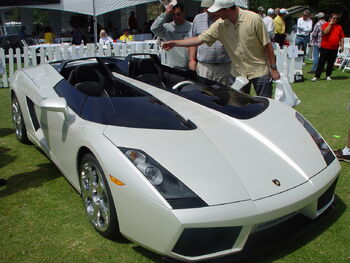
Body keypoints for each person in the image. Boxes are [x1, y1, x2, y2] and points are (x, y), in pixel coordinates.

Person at [162, 0, 280, 98]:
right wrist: (174, 43)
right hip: (238, 74)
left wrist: (273, 68)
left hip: (260, 71)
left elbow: (267, 45)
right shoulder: (220, 25)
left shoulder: (253, 19)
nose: (216, 15)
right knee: (238, 107)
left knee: (266, 104)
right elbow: (198, 39)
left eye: (218, 12)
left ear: (227, 10)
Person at [189, 0, 231, 86]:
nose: (208, 11)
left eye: (210, 9)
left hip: (223, 66)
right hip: (204, 66)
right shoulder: (198, 19)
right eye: (206, 9)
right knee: (203, 94)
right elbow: (193, 40)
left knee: (223, 95)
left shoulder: (226, 19)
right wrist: (192, 59)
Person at [151, 2, 192, 70]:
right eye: (173, 15)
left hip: (189, 67)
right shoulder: (167, 28)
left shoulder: (192, 26)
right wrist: (165, 13)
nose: (176, 17)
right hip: (172, 67)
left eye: (178, 14)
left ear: (183, 13)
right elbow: (153, 28)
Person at [311, 13, 345, 81]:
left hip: (334, 48)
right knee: (321, 62)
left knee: (331, 63)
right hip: (325, 47)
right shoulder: (325, 25)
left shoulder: (339, 27)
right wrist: (330, 24)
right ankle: (317, 76)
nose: (335, 20)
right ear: (330, 19)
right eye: (334, 18)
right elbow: (325, 32)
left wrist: (342, 46)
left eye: (336, 19)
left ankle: (328, 75)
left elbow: (341, 37)